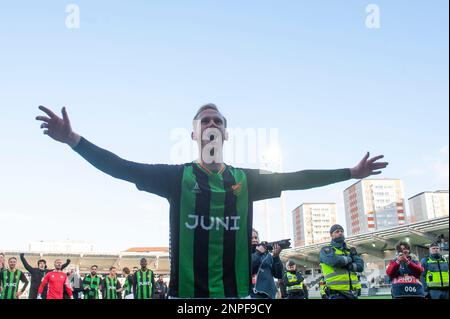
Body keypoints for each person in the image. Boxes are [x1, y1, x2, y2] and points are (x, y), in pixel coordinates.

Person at [35, 104, 388, 298]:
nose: (212, 123)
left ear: (226, 133)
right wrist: (74, 141)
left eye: (218, 120)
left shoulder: (245, 179)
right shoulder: (178, 177)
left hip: (237, 300)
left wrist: (349, 172)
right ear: (195, 133)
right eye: (205, 119)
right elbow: (122, 168)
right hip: (185, 299)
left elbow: (296, 179)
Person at [319, 224, 364, 299]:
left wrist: (347, 264)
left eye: (342, 231)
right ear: (331, 235)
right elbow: (335, 262)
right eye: (337, 232)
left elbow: (360, 266)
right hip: (337, 294)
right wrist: (350, 258)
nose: (340, 233)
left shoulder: (350, 250)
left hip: (353, 293)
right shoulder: (326, 250)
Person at [250, 229, 283, 299]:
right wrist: (258, 253)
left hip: (268, 295)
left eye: (256, 237)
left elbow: (278, 274)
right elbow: (246, 268)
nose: (254, 240)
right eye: (251, 238)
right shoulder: (243, 254)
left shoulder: (268, 255)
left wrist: (276, 257)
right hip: (251, 294)